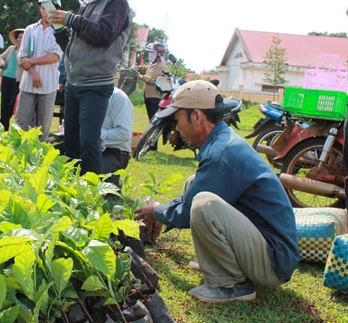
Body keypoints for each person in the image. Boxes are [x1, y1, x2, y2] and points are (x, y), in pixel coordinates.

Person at [134, 80, 300, 303]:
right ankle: (216, 264)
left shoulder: (223, 151)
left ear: (196, 116)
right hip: (266, 247)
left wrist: (157, 211)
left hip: (273, 261)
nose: (176, 128)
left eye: (177, 119)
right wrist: (163, 210)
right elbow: (191, 196)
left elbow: (189, 211)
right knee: (194, 185)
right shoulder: (221, 142)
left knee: (204, 204)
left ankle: (232, 284)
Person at [48, 0, 131, 175]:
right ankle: (72, 192)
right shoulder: (87, 5)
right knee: (72, 141)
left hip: (96, 85)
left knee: (89, 142)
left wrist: (70, 18)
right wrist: (59, 31)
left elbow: (103, 35)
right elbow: (77, 45)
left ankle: (92, 195)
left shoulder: (117, 2)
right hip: (75, 84)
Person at [14, 0, 63, 141]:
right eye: (43, 8)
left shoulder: (60, 30)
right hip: (28, 83)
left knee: (43, 126)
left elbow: (55, 56)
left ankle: (39, 158)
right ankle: (16, 153)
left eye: (50, 8)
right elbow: (21, 57)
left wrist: (32, 62)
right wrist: (33, 72)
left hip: (48, 85)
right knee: (20, 123)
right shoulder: (30, 30)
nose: (46, 12)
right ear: (40, 9)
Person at [101, 87, 133, 187]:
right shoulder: (81, 93)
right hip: (85, 146)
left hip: (114, 151)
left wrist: (94, 134)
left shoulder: (118, 97)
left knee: (102, 180)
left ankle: (115, 182)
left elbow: (124, 134)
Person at [132, 42, 168, 121]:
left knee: (153, 121)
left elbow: (152, 80)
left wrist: (139, 76)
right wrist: (137, 68)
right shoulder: (154, 64)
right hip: (148, 96)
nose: (150, 54)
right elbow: (146, 69)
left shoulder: (161, 66)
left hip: (154, 98)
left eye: (152, 52)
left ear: (158, 54)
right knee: (151, 120)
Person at [0, 28, 24, 131]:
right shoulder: (11, 49)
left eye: (23, 37)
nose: (20, 39)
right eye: (19, 37)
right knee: (4, 103)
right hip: (6, 77)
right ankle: (3, 128)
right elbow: (1, 57)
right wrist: (2, 64)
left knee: (11, 104)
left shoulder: (26, 52)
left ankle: (1, 123)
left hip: (17, 80)